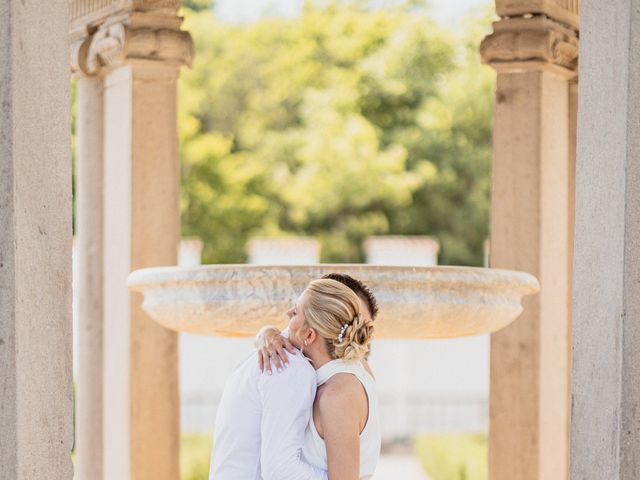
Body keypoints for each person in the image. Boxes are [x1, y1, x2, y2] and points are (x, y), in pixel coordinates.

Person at [209, 276, 380, 480]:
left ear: (309, 336)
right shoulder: (355, 369)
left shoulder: (307, 376)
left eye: (296, 311)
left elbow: (282, 471)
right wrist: (266, 332)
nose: (287, 313)